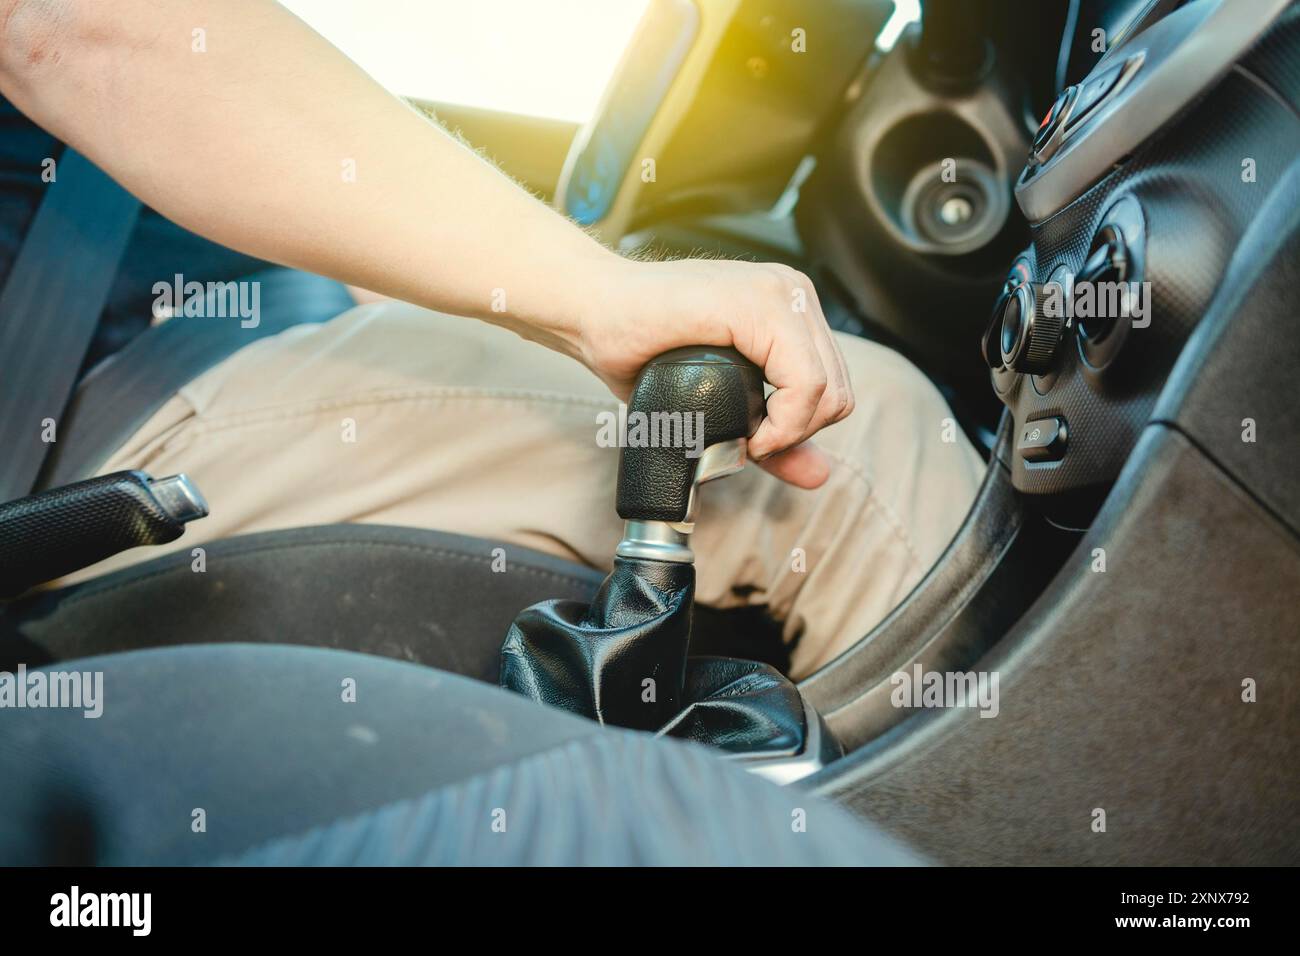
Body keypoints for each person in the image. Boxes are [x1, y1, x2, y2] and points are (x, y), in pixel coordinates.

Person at [0, 0, 982, 676]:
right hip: (77, 429)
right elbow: (85, 36)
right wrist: (594, 295)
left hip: (191, 331)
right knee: (858, 449)